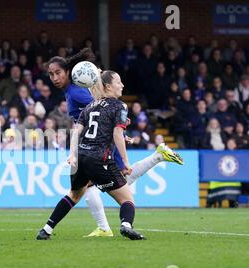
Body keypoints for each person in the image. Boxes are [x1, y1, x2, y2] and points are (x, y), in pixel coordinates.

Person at [40, 49, 183, 238]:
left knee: (117, 179)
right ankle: (104, 227)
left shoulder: (75, 92)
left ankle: (102, 227)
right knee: (97, 186)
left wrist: (118, 124)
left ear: (69, 72)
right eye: (51, 74)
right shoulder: (73, 90)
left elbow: (99, 105)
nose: (54, 77)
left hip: (96, 144)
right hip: (95, 141)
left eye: (58, 72)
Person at [37, 70, 146, 241]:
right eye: (119, 82)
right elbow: (118, 134)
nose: (122, 85)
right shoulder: (120, 106)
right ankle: (126, 226)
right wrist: (125, 161)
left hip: (80, 157)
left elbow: (76, 132)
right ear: (108, 86)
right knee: (127, 199)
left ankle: (46, 229)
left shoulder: (90, 106)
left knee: (74, 195)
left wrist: (72, 155)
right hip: (99, 158)